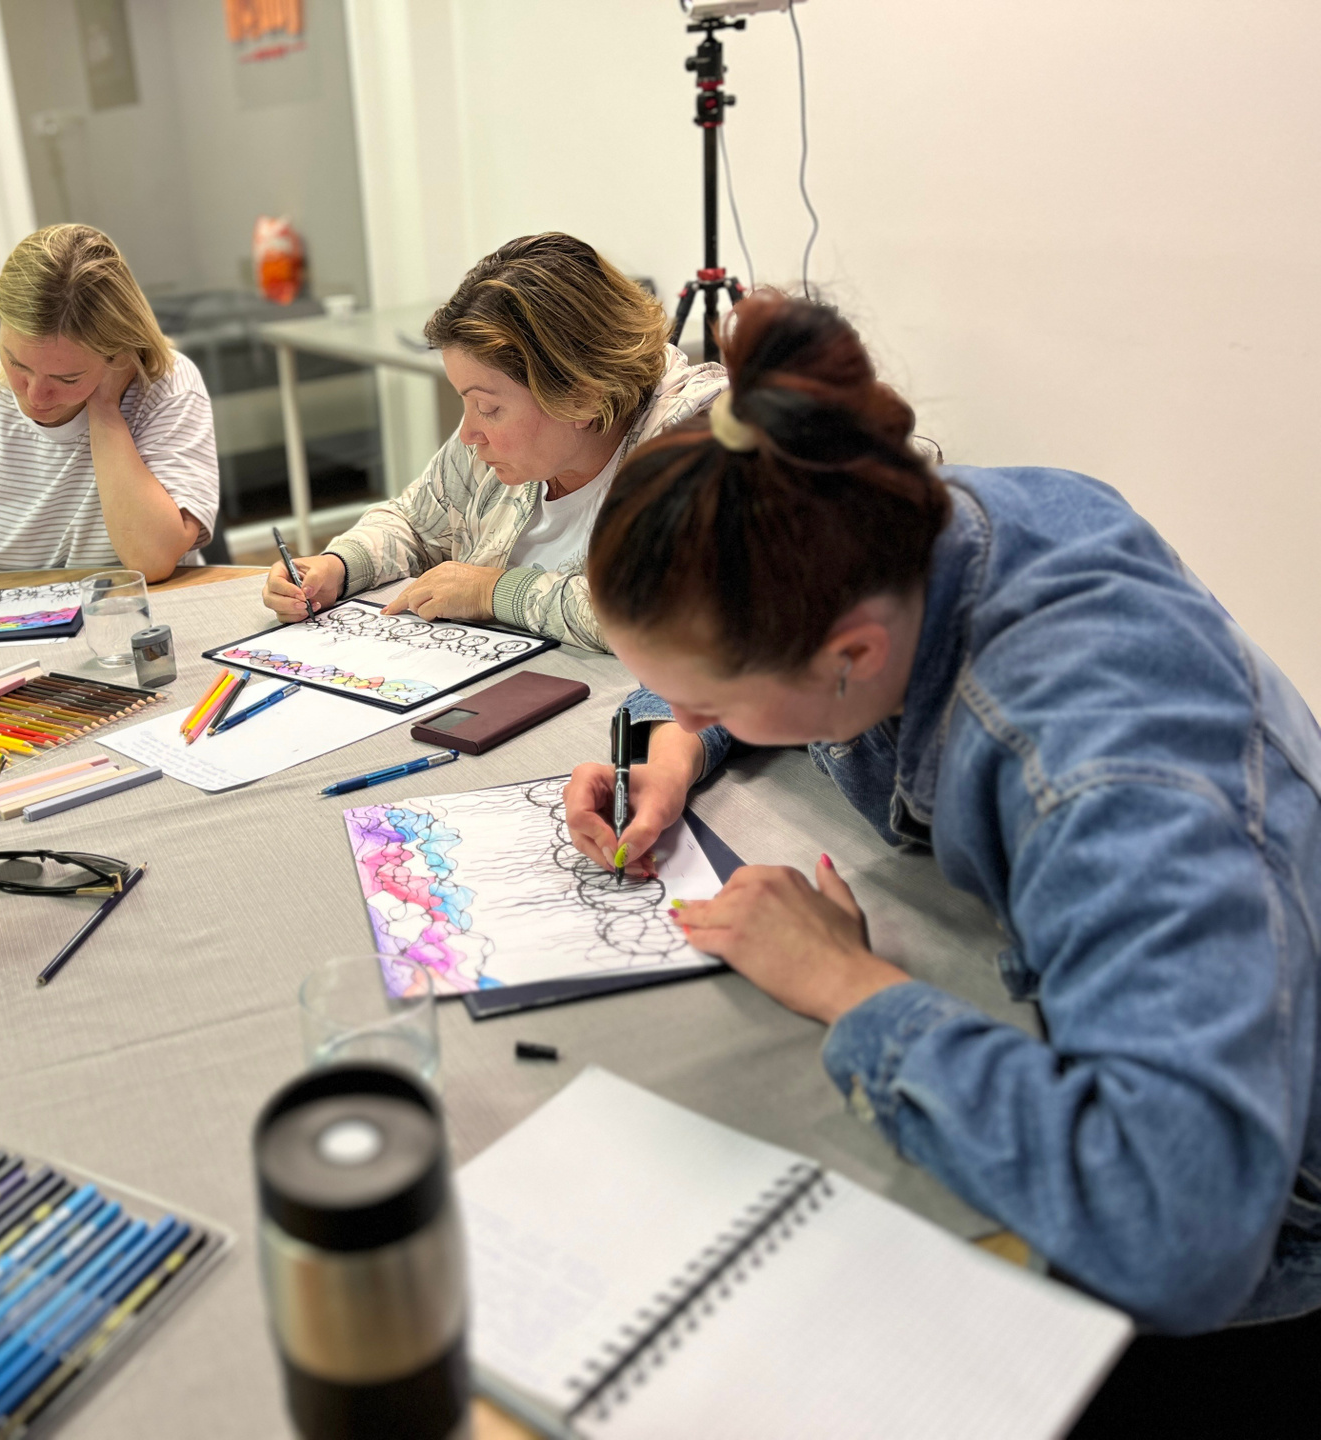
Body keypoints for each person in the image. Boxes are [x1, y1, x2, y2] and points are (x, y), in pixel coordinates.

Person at [562, 293, 1321, 1367]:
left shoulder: (1102, 777)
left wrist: (846, 984)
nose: (679, 712)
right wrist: (675, 745)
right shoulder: (902, 524)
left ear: (852, 657)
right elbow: (753, 642)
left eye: (709, 700)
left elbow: (1178, 1230)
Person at [260, 233, 725, 650]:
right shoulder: (496, 448)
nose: (468, 434)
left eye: (487, 407)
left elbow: (668, 612)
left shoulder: (700, 445)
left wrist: (491, 591)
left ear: (582, 396)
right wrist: (339, 567)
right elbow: (416, 523)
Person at [0, 225, 219, 601]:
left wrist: (104, 409)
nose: (35, 395)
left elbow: (151, 561)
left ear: (118, 353)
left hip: (149, 610)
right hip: (24, 615)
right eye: (17, 363)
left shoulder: (167, 388)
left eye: (67, 378)